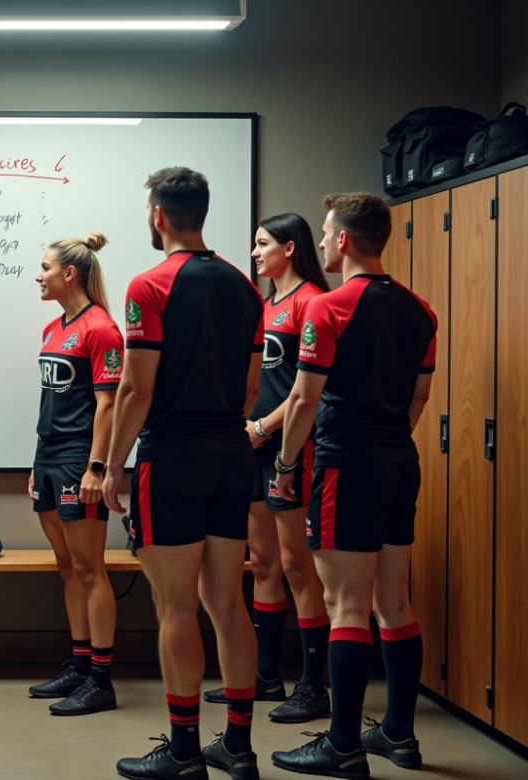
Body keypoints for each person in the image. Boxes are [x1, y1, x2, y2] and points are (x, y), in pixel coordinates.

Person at [103, 167, 265, 780]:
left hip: (170, 457)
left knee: (176, 608)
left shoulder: (149, 285)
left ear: (157, 215)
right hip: (231, 454)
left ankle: (183, 752)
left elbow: (136, 389)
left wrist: (109, 466)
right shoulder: (245, 288)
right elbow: (251, 389)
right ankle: (240, 748)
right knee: (227, 605)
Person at [271, 193, 436, 778]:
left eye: (323, 233)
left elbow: (303, 399)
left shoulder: (330, 307)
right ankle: (399, 734)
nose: (320, 243)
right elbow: (419, 399)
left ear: (343, 239)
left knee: (345, 605)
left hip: (346, 466)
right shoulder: (421, 311)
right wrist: (388, 439)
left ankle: (342, 745)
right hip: (399, 461)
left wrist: (287, 468)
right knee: (392, 603)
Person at [203, 214, 332, 724]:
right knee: (263, 562)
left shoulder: (312, 302)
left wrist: (264, 429)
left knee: (299, 567)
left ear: (291, 248)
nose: (254, 253)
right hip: (254, 448)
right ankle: (266, 675)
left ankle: (313, 685)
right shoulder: (265, 305)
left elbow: (311, 393)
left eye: (262, 244)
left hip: (291, 450)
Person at [26, 233, 124, 716]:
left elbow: (109, 405)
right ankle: (81, 665)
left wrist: (97, 467)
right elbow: (52, 401)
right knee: (68, 568)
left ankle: (102, 680)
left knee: (90, 568)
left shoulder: (101, 328)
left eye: (44, 267)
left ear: (69, 274)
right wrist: (35, 463)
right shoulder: (52, 328)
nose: (37, 275)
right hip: (49, 459)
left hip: (79, 460)